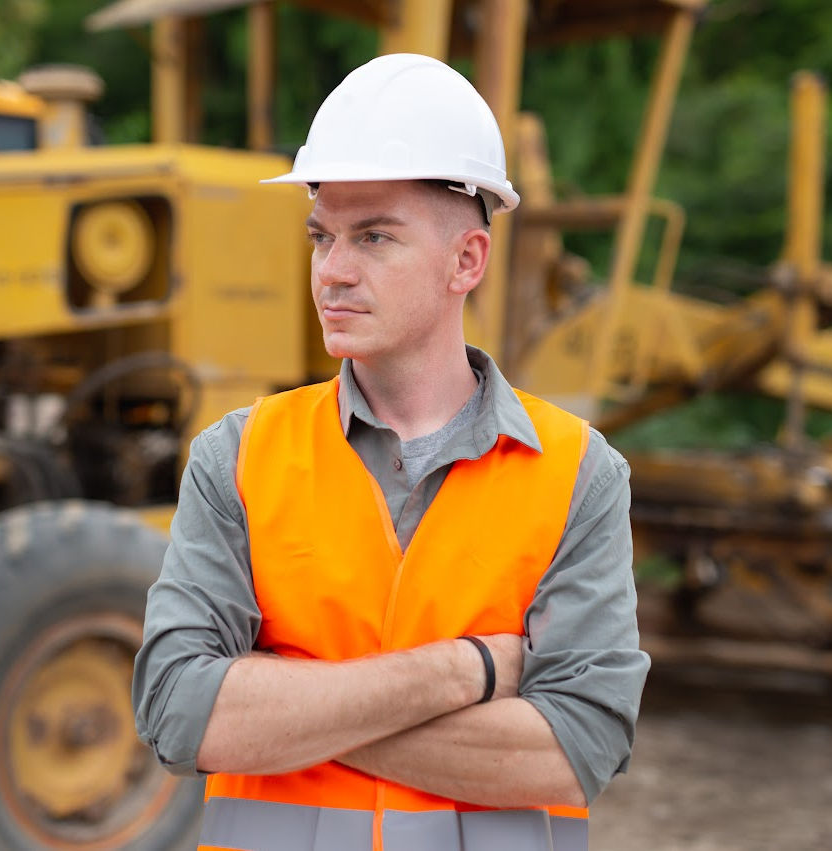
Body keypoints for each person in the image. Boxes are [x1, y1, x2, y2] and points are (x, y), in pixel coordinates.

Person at [132, 53, 649, 851]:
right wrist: (465, 672)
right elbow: (175, 712)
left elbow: (577, 746)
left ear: (466, 261)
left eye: (373, 237)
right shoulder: (238, 456)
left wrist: (279, 711)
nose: (332, 272)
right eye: (322, 236)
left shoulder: (577, 471)